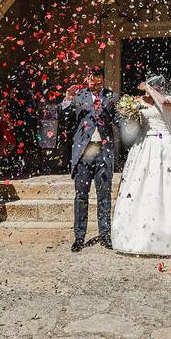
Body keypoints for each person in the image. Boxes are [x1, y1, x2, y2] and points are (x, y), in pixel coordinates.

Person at [112, 75, 171, 256]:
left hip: (165, 145)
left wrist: (148, 89)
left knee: (167, 186)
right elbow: (133, 129)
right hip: (143, 146)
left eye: (157, 86)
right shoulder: (139, 102)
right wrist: (129, 114)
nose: (156, 88)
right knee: (143, 187)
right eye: (153, 86)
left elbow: (162, 102)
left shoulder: (169, 99)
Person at [61, 66, 118, 252]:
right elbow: (66, 118)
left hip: (103, 151)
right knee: (81, 196)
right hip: (83, 152)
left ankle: (105, 234)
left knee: (104, 196)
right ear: (87, 78)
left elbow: (119, 121)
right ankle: (79, 237)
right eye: (92, 76)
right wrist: (67, 100)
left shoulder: (111, 97)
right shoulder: (79, 96)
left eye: (98, 76)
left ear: (102, 78)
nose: (95, 79)